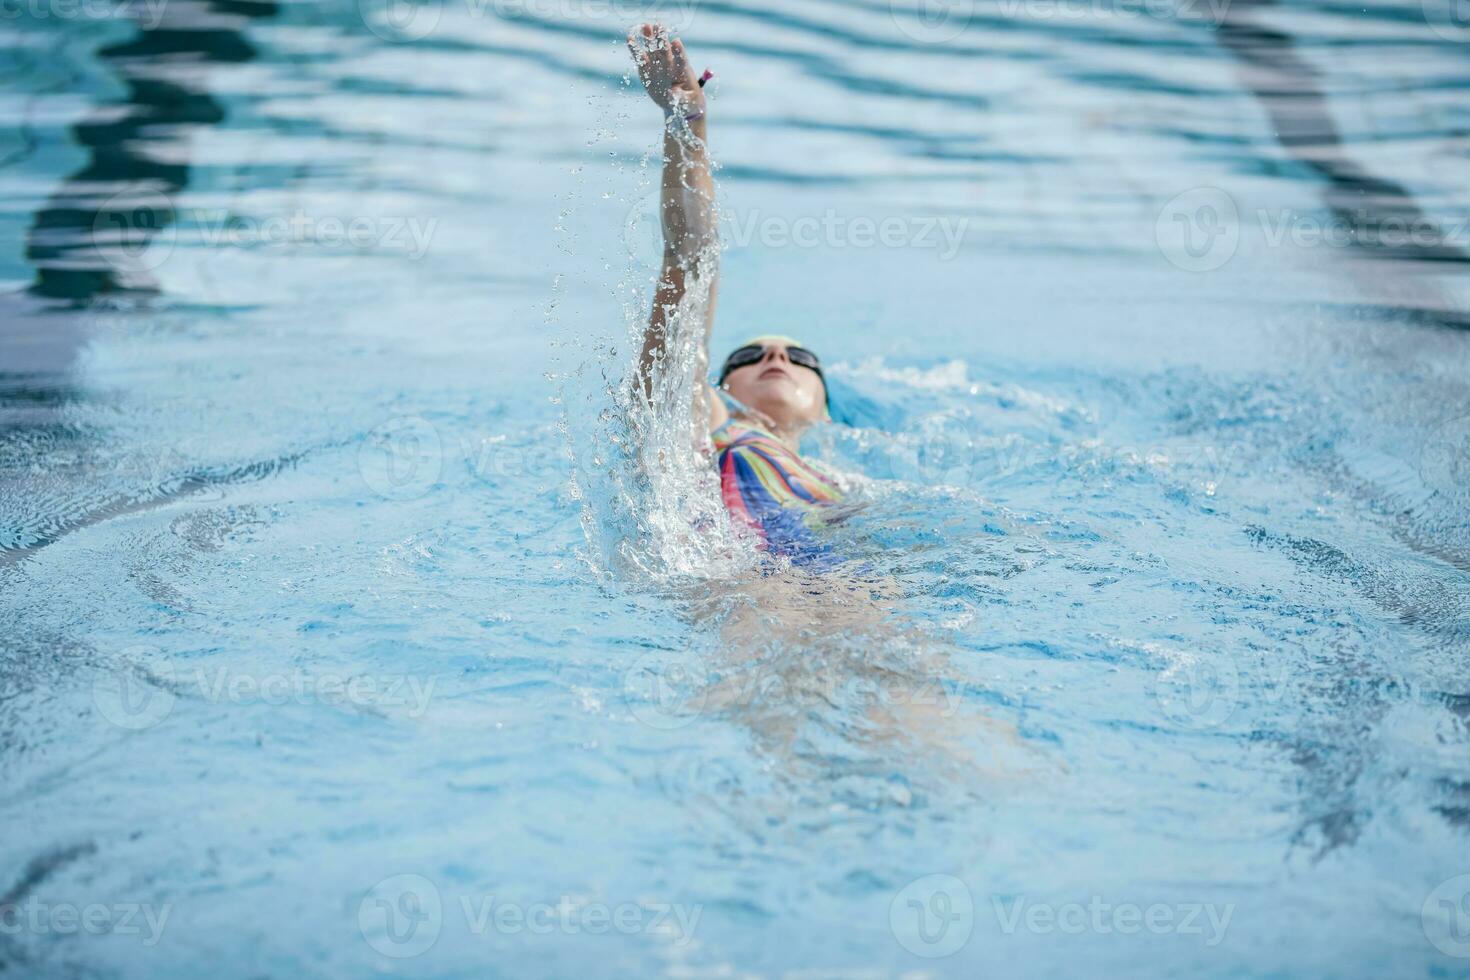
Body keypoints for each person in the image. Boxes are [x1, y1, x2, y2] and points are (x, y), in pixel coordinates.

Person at [628, 23, 847, 569]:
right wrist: (687, 123)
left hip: (851, 575)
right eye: (750, 355)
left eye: (801, 358)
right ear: (720, 387)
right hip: (742, 583)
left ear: (825, 411)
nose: (776, 357)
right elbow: (689, 259)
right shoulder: (705, 423)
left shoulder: (848, 485)